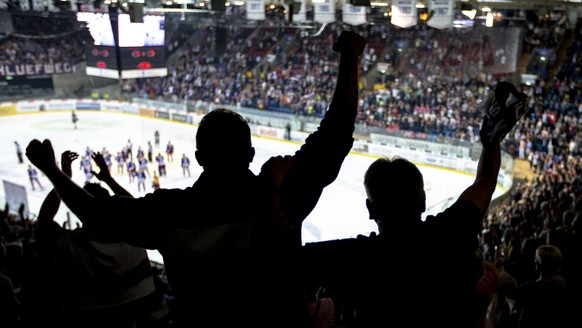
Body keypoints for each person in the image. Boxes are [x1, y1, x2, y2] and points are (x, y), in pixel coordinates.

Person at [25, 30, 366, 328]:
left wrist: (52, 169)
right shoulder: (282, 196)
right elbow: (335, 135)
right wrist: (350, 55)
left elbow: (96, 215)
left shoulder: (169, 212)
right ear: (250, 154)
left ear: (200, 159)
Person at [300, 81, 523, 328]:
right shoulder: (450, 233)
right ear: (424, 201)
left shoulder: (352, 257)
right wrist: (491, 141)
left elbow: (276, 261)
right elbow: (486, 180)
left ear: (370, 209)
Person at [32, 150, 158, 328]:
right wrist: (108, 179)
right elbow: (137, 211)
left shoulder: (72, 245)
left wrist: (61, 176)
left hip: (87, 319)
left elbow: (44, 220)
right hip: (132, 316)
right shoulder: (133, 237)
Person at [505, 244, 567, 328]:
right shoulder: (561, 282)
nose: (534, 260)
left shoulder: (531, 288)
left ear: (542, 263)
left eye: (537, 258)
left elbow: (511, 293)